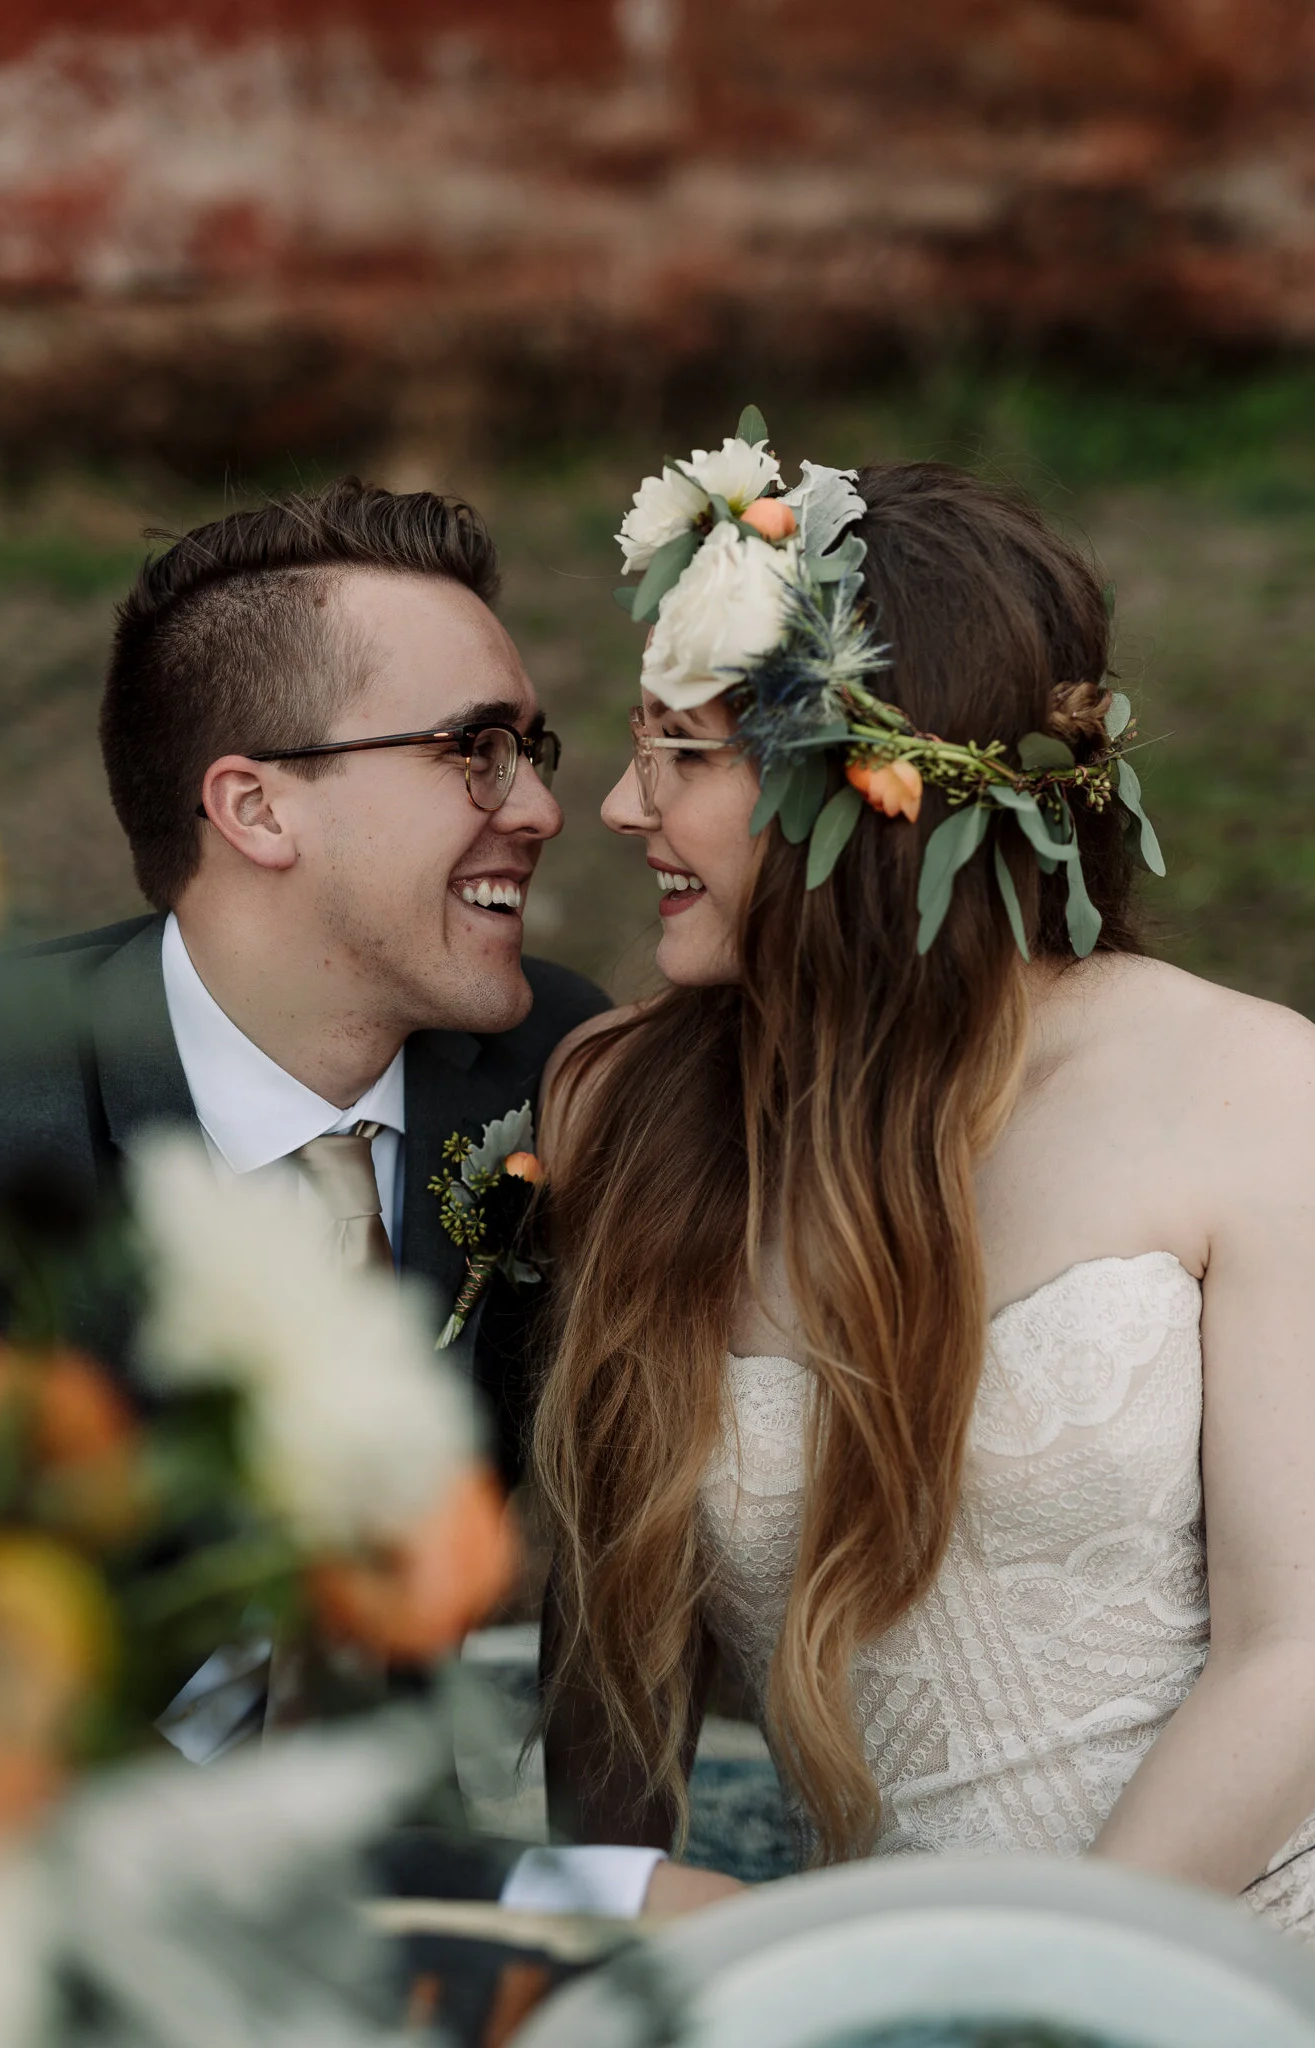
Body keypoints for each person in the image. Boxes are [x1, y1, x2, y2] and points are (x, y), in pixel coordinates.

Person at [533, 423, 1315, 1936]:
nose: (624, 812)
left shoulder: (1244, 1086)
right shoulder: (623, 1108)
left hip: (1236, 1948)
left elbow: (1293, 1653)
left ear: (861, 802)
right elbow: (606, 1676)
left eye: (680, 757)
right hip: (873, 1984)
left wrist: (1048, 2000)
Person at [0, 480, 607, 1486]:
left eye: (529, 750)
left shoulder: (568, 1073)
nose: (540, 810)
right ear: (255, 809)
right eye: (475, 749)